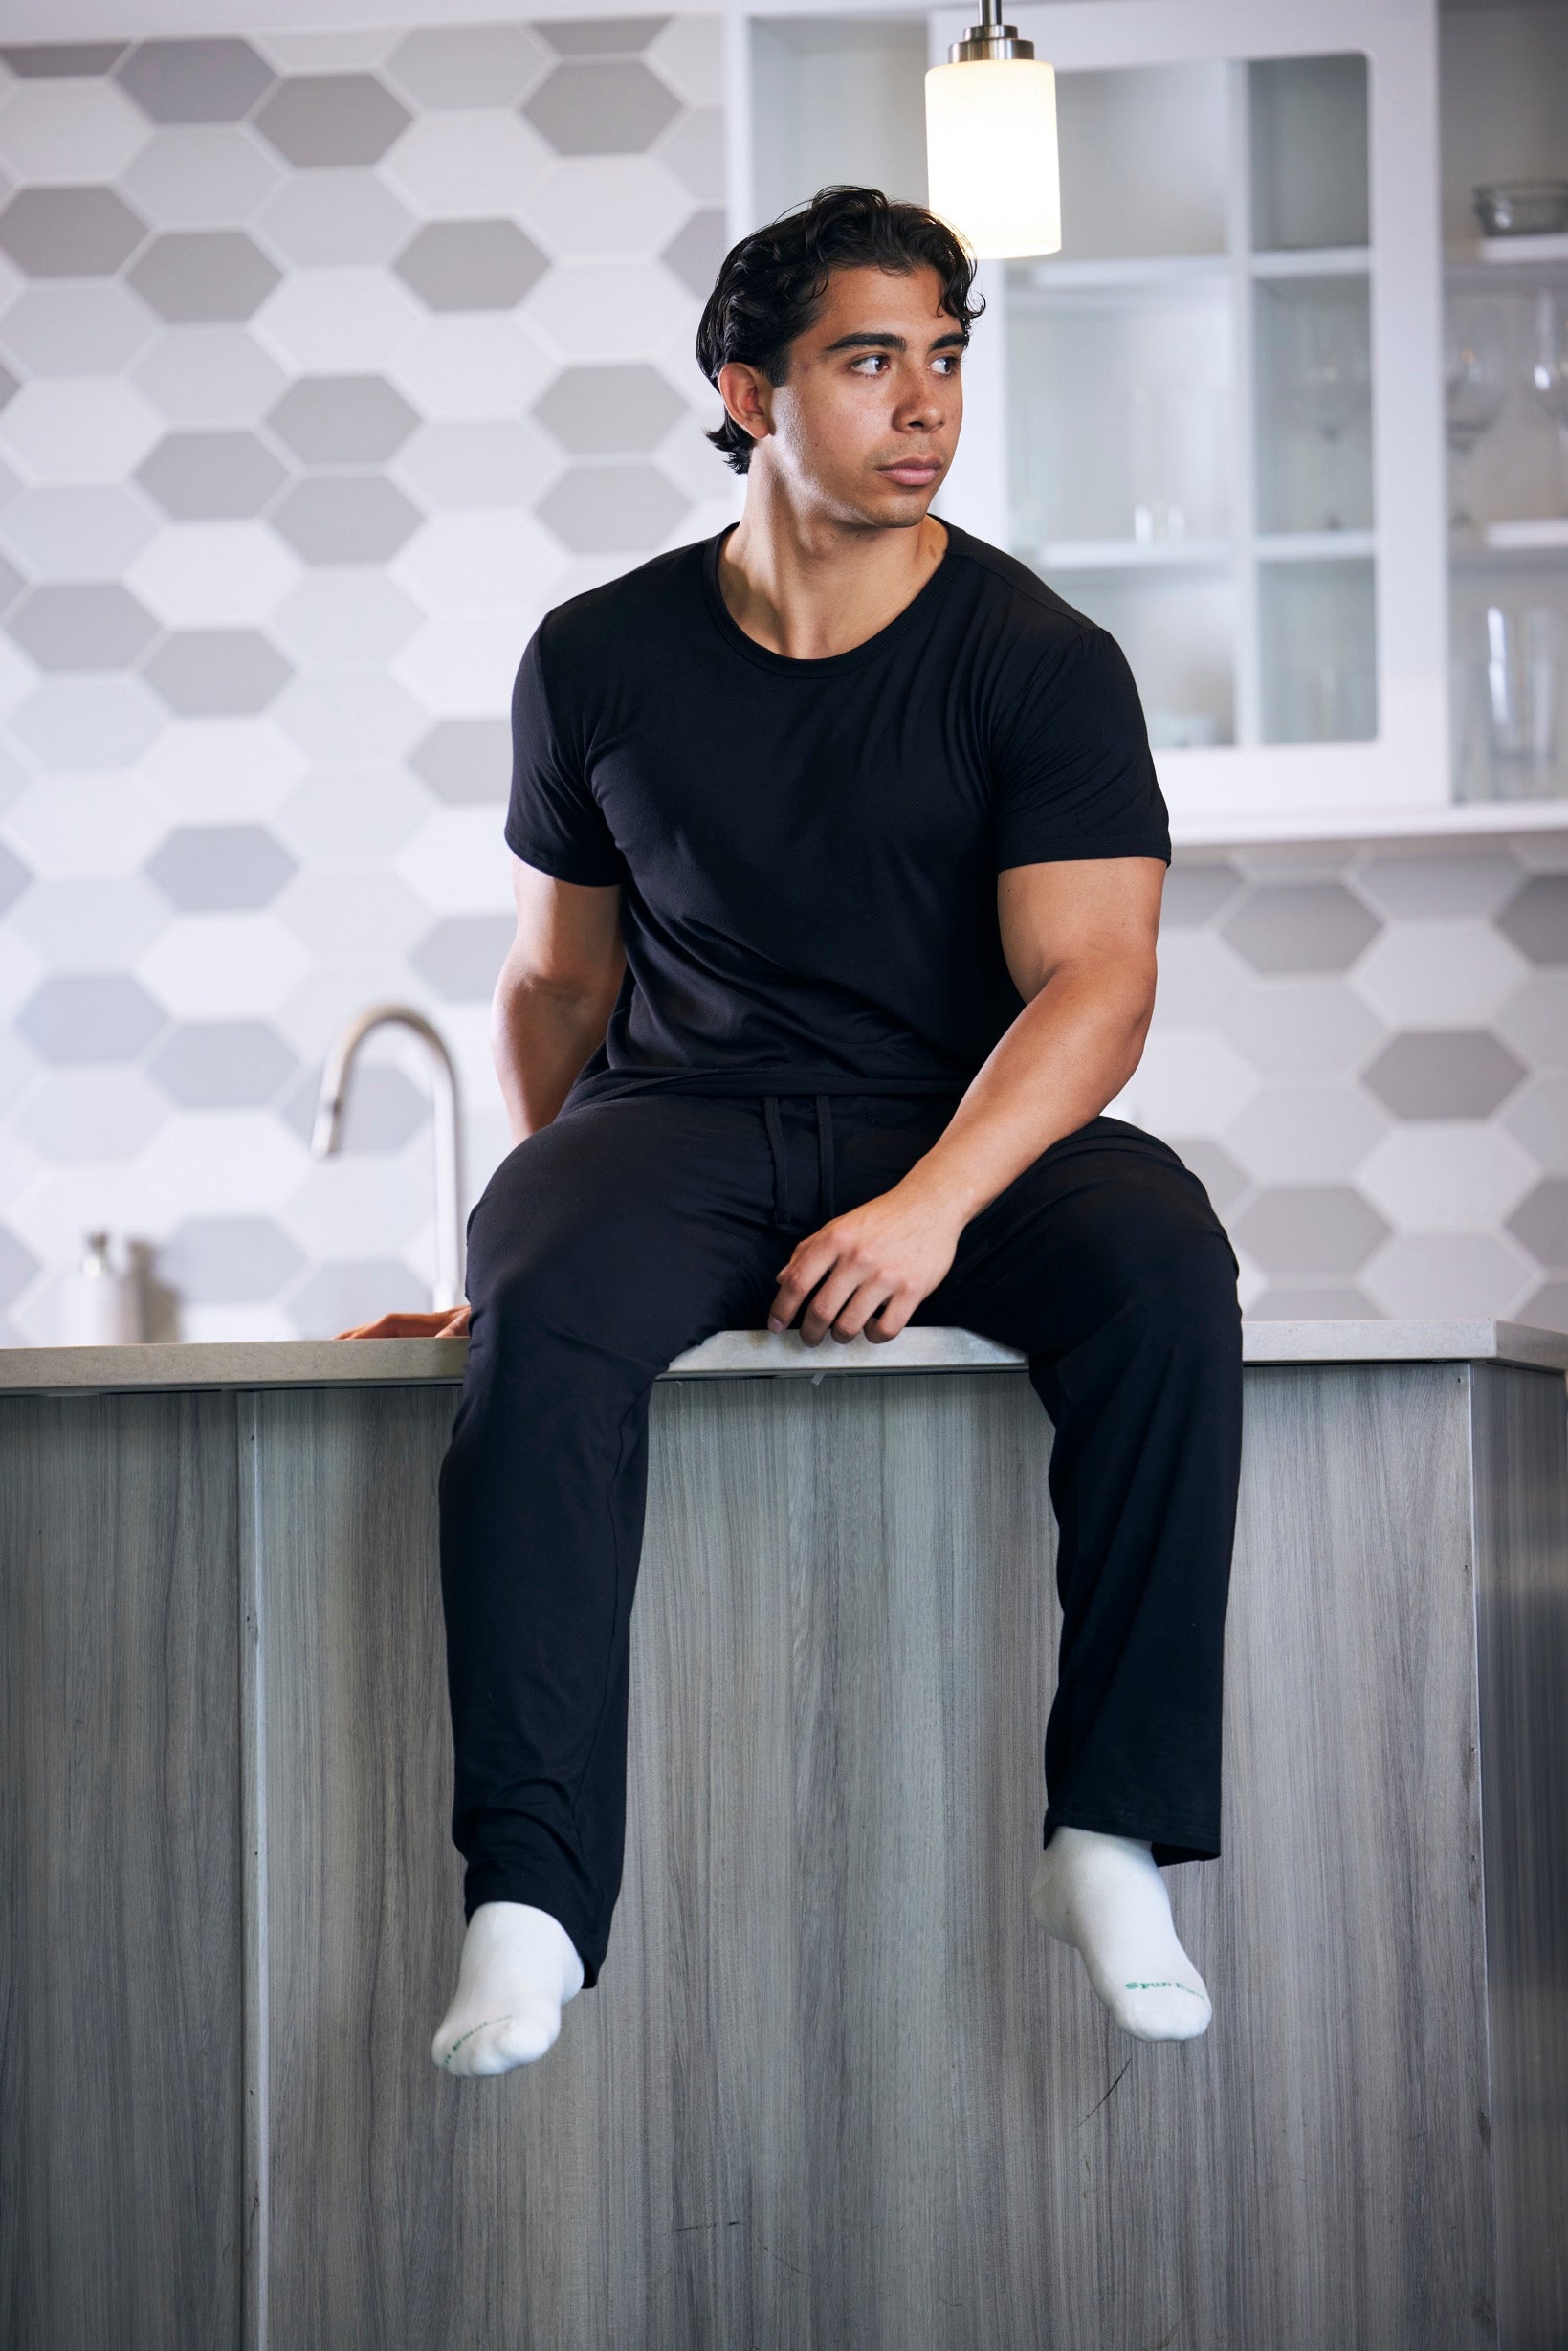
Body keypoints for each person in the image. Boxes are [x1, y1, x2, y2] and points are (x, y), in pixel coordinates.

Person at [342, 185, 1244, 2076]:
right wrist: (514, 1257)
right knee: (554, 1272)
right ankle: (530, 1895)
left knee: (1164, 1263)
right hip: (685, 1112)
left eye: (943, 358)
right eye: (866, 360)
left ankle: (1110, 1835)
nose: (923, 403)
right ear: (748, 390)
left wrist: (927, 1205)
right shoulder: (595, 655)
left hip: (969, 1125)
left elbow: (1096, 983)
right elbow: (557, 989)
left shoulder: (1036, 655)